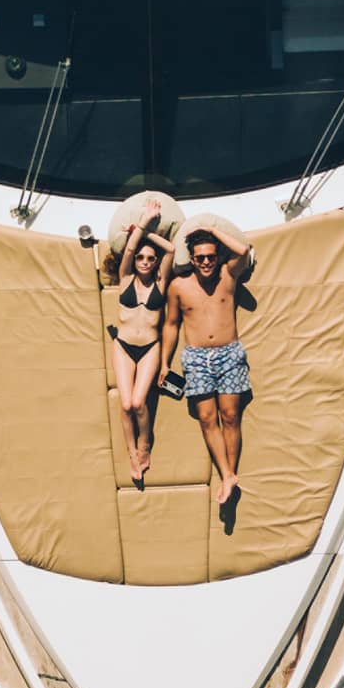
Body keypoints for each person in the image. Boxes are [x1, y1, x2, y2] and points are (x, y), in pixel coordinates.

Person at [161, 222, 253, 506]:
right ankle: (227, 475)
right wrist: (164, 362)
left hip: (229, 354)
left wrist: (212, 232)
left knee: (229, 416)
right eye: (199, 257)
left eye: (210, 256)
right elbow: (172, 324)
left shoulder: (228, 274)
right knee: (206, 419)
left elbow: (244, 250)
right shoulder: (178, 286)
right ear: (191, 258)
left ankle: (229, 476)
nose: (205, 262)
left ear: (218, 256)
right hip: (196, 358)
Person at [108, 196, 175, 484]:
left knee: (138, 403)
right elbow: (131, 247)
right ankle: (132, 453)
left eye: (150, 259)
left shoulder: (161, 281)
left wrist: (147, 232)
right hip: (123, 346)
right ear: (134, 260)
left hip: (149, 348)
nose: (145, 262)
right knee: (125, 405)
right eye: (141, 258)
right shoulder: (125, 278)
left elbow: (171, 248)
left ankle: (145, 441)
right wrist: (143, 227)